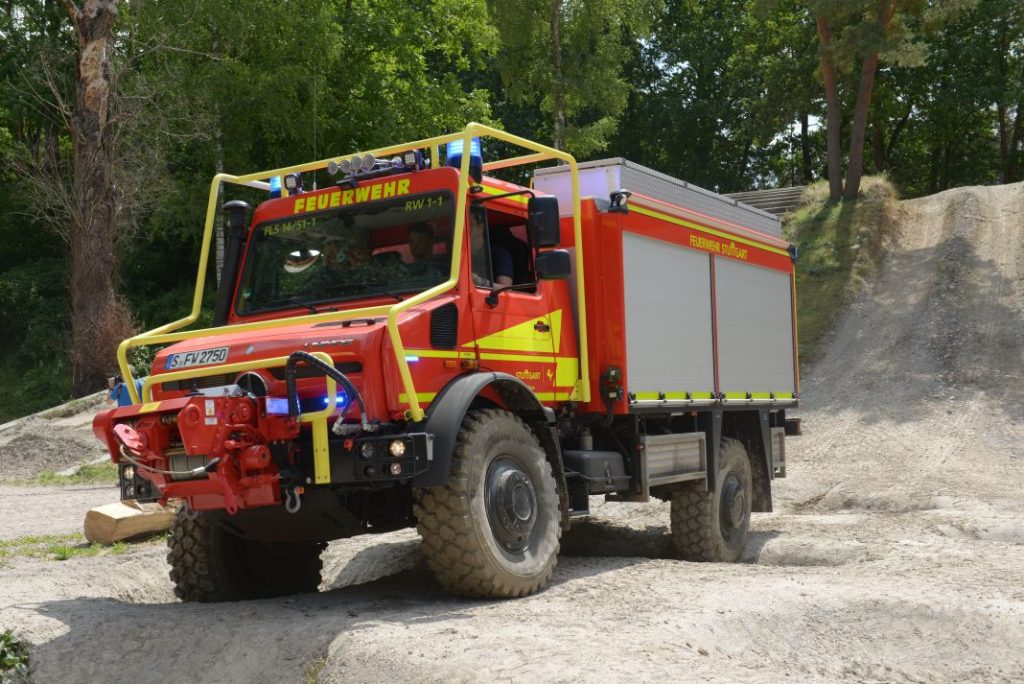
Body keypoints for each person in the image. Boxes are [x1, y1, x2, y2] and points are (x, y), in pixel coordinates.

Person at [469, 210, 513, 288]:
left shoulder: (499, 255)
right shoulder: (459, 256)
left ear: (481, 226)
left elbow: (506, 289)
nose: (465, 228)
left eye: (470, 224)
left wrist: (480, 281)